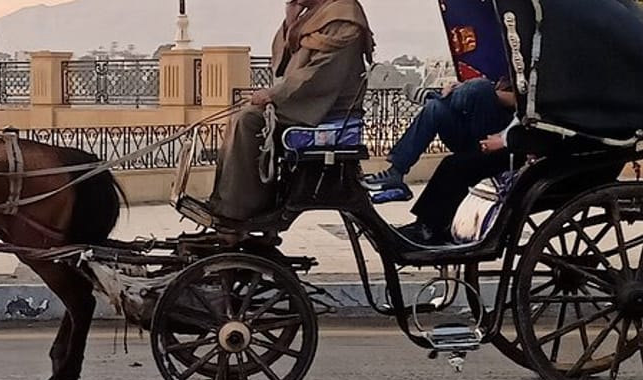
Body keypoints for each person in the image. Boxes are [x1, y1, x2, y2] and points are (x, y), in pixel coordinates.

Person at [208, 0, 375, 222]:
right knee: (240, 117)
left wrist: (274, 94)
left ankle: (241, 211)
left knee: (249, 121)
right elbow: (283, 62)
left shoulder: (344, 15)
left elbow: (320, 75)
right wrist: (291, 21)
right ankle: (224, 203)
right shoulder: (315, 14)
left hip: (326, 107)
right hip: (307, 101)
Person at [363, 77, 516, 198]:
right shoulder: (504, 69)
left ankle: (435, 97)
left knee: (481, 88)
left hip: (504, 137)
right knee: (434, 109)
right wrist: (462, 88)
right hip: (476, 128)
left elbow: (519, 102)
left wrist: (482, 93)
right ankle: (396, 172)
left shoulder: (527, 72)